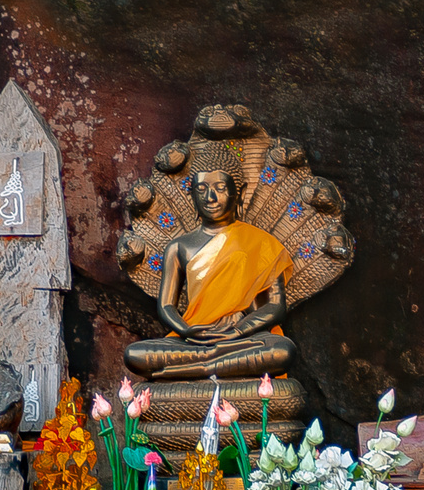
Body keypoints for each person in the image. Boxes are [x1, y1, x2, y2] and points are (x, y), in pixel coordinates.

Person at [124, 143, 296, 380]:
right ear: (191, 194)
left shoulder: (261, 243)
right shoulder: (178, 247)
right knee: (135, 354)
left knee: (281, 351)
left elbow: (275, 306)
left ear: (240, 193)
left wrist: (238, 330)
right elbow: (166, 306)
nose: (210, 197)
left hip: (245, 338)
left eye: (220, 188)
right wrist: (186, 330)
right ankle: (210, 364)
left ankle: (199, 369)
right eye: (202, 188)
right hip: (194, 338)